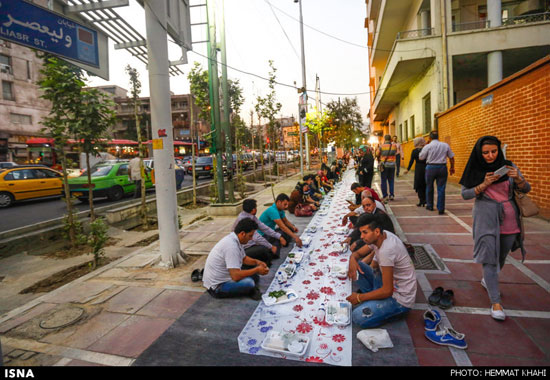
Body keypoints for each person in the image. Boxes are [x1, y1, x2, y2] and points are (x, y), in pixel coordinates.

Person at [459, 136, 531, 321]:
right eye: (485, 152)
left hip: (509, 218)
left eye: (494, 151)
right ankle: (496, 302)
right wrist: (484, 184)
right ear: (479, 153)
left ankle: (488, 279)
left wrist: (519, 179)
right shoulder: (475, 169)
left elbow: (526, 188)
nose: (490, 156)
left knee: (500, 257)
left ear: (499, 150)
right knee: (489, 259)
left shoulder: (508, 166)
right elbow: (465, 194)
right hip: (485, 218)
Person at [345, 213, 416, 328]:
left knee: (357, 316)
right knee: (358, 265)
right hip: (387, 283)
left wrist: (359, 298)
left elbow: (387, 291)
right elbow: (358, 254)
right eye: (361, 232)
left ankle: (394, 312)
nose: (361, 237)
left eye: (365, 232)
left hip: (399, 298)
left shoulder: (387, 251)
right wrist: (352, 259)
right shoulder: (383, 235)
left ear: (376, 232)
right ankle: (373, 299)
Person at [202, 218, 270, 300]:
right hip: (217, 287)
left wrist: (257, 262)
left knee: (254, 276)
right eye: (250, 236)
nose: (251, 239)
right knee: (250, 283)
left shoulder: (235, 238)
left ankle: (251, 289)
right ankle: (251, 290)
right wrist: (256, 270)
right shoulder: (231, 246)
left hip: (224, 277)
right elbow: (235, 276)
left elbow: (244, 259)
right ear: (242, 234)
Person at [232, 199, 287, 266]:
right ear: (253, 210)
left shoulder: (251, 216)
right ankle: (264, 262)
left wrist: (279, 237)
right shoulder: (244, 219)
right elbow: (256, 237)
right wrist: (271, 247)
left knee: (276, 237)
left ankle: (270, 255)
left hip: (253, 242)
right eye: (256, 207)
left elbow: (264, 228)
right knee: (264, 249)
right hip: (244, 247)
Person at [419, 130, 455, 215]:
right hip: (442, 167)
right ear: (438, 137)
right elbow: (451, 157)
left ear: (430, 138)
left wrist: (426, 146)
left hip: (430, 167)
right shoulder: (445, 145)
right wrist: (452, 167)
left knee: (429, 186)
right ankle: (441, 208)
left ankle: (430, 205)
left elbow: (421, 157)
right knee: (441, 188)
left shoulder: (428, 146)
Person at [404, 137, 427, 207]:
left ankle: (421, 200)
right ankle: (426, 200)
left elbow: (411, 161)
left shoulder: (414, 151)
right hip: (426, 167)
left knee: (419, 184)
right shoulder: (425, 150)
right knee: (425, 184)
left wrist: (408, 169)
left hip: (418, 168)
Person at [376, 135, 397, 202]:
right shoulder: (394, 146)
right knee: (391, 180)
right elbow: (395, 153)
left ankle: (385, 195)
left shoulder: (381, 146)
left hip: (384, 165)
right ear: (390, 139)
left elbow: (377, 154)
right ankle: (392, 195)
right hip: (392, 165)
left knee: (383, 180)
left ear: (384, 139)